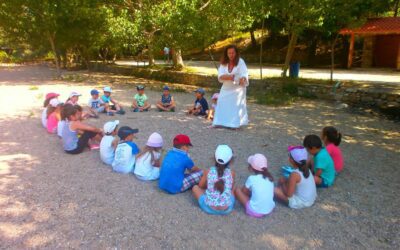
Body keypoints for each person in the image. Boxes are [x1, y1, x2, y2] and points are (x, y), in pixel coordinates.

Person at [192, 145, 236, 215]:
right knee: (233, 189)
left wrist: (210, 184)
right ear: (230, 160)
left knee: (195, 187)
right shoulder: (232, 173)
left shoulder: (208, 171)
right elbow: (230, 188)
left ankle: (211, 195)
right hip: (227, 209)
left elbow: (200, 186)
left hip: (209, 208)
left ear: (214, 158)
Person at [213, 45, 249, 129]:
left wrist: (242, 78)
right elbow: (220, 76)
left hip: (238, 89)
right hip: (226, 88)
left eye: (233, 53)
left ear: (236, 53)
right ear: (226, 54)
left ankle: (234, 124)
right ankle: (219, 122)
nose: (231, 55)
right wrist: (232, 77)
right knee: (221, 102)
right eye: (229, 53)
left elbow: (244, 73)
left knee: (235, 106)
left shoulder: (240, 62)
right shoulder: (224, 63)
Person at [234, 153, 275, 218]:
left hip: (255, 211)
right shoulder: (270, 178)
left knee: (237, 190)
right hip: (269, 209)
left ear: (252, 167)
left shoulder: (252, 178)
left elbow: (244, 191)